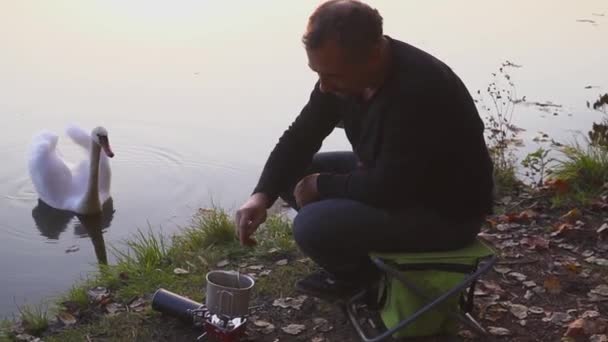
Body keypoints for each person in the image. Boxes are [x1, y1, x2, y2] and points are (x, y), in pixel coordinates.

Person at [235, 0, 494, 301]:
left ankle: (364, 283)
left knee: (311, 225)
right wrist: (260, 195)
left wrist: (322, 185)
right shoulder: (343, 76)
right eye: (317, 72)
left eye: (332, 75)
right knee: (291, 173)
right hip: (392, 180)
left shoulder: (420, 91)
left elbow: (390, 189)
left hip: (445, 213)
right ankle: (362, 263)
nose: (324, 86)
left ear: (372, 56)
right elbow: (300, 136)